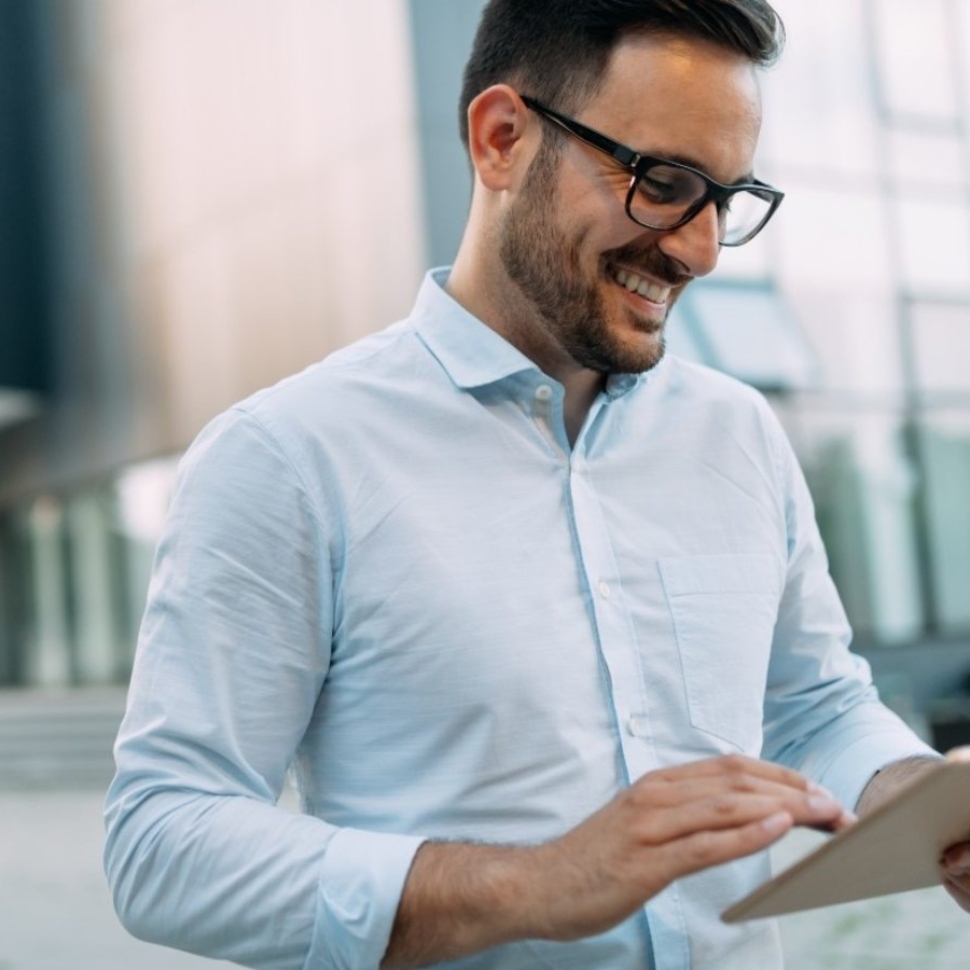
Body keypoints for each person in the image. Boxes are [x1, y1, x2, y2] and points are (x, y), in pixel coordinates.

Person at [103, 2, 970, 968]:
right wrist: (538, 883)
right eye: (663, 181)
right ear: (502, 139)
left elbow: (810, 704)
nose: (700, 249)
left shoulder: (740, 435)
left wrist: (917, 800)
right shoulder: (287, 456)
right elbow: (161, 843)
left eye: (726, 196)